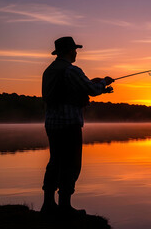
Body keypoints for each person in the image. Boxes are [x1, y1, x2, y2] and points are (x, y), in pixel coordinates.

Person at [40, 36, 114, 215]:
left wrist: (95, 86)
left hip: (52, 123)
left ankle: (48, 204)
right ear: (69, 51)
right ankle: (65, 206)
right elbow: (92, 90)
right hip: (69, 124)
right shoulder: (71, 70)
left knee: (55, 162)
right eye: (74, 50)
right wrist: (104, 82)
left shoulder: (49, 71)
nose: (76, 53)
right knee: (71, 164)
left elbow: (73, 89)